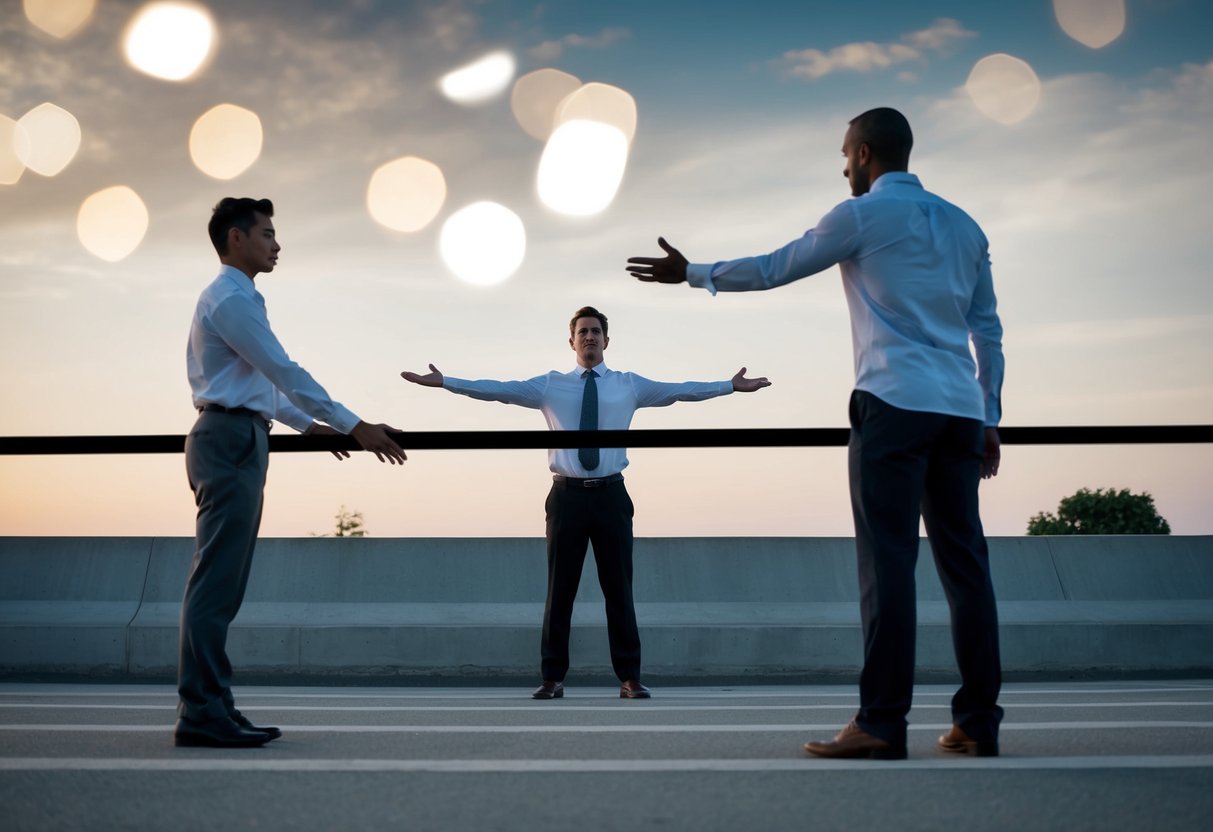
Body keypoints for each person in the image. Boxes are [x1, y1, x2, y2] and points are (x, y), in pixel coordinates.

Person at [627, 107, 1005, 759]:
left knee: (887, 564)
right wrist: (989, 414)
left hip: (893, 403)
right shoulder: (966, 226)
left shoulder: (858, 215)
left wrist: (690, 274)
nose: (842, 165)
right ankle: (977, 720)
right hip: (959, 412)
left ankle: (881, 722)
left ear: (861, 153)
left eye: (844, 153)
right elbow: (988, 330)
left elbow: (777, 266)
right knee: (966, 568)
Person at [402, 306, 770, 699]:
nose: (590, 337)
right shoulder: (550, 385)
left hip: (612, 496)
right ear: (572, 341)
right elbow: (498, 390)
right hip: (566, 498)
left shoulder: (628, 385)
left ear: (606, 341)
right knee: (560, 591)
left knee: (619, 591)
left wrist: (729, 386)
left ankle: (629, 678)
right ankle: (552, 678)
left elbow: (679, 390)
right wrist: (446, 383)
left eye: (596, 331)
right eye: (583, 332)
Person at [178, 197, 406, 748]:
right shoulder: (231, 298)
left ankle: (215, 707)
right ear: (237, 239)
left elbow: (263, 386)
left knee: (224, 584)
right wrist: (353, 424)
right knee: (215, 584)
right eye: (268, 233)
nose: (277, 244)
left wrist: (310, 427)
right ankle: (202, 712)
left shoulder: (238, 298)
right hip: (230, 439)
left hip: (241, 434)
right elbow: (283, 370)